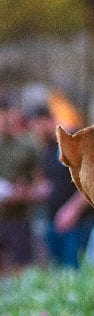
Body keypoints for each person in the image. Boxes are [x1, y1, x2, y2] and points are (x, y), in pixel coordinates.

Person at [28, 106, 94, 267]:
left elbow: (91, 179)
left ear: (45, 121)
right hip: (55, 221)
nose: (35, 133)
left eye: (36, 127)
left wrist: (72, 209)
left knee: (73, 268)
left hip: (78, 221)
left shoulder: (73, 138)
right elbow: (50, 182)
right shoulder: (48, 147)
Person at [0, 101, 42, 275]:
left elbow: (42, 185)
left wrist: (25, 193)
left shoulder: (27, 146)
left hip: (18, 217)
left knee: (21, 269)